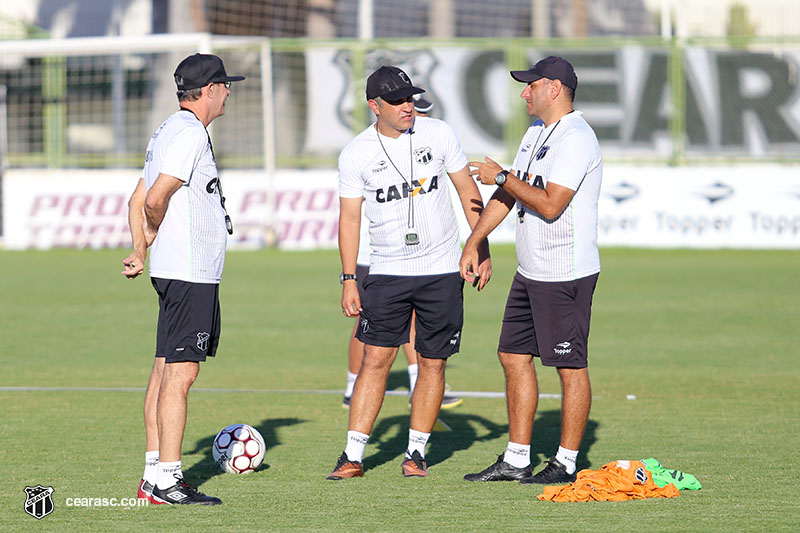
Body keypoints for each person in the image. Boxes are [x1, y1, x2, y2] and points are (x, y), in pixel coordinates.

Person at [328, 65, 491, 480]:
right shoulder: (356, 152)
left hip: (442, 271)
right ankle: (353, 456)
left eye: (411, 98)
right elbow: (349, 220)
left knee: (433, 363)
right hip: (386, 273)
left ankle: (416, 453)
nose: (408, 107)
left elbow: (467, 190)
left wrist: (479, 245)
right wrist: (349, 278)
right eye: (398, 101)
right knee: (375, 361)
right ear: (373, 105)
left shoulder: (438, 133)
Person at [459, 56, 602, 485]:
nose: (524, 92)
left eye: (531, 85)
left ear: (554, 89)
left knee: (569, 366)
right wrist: (475, 240)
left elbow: (550, 203)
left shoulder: (576, 138)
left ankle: (567, 462)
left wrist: (502, 175)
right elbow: (510, 194)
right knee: (512, 354)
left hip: (565, 272)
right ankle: (517, 458)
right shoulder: (536, 132)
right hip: (532, 270)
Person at [122, 53, 244, 505]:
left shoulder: (166, 130)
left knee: (162, 371)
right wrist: (150, 232)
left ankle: (153, 474)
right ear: (209, 90)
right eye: (225, 85)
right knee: (181, 374)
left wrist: (140, 247)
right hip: (189, 272)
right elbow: (153, 198)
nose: (229, 91)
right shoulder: (190, 133)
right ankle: (169, 481)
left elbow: (135, 197)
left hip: (178, 271)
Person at [341, 95, 462, 411]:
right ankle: (354, 384)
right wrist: (349, 276)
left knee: (410, 321)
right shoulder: (366, 150)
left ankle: (413, 380)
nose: (414, 113)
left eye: (418, 108)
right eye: (407, 106)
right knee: (369, 329)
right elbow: (352, 213)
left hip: (419, 259)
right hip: (378, 255)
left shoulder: (427, 140)